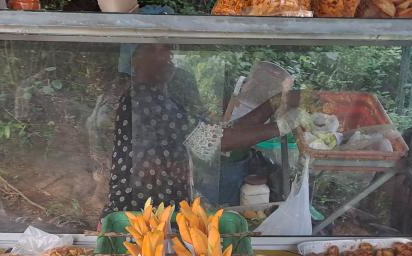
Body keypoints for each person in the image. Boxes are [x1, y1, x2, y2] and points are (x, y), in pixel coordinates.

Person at [103, 44, 307, 216]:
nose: (169, 58)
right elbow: (218, 141)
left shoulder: (157, 98)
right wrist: (282, 125)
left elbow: (218, 132)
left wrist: (274, 103)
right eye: (157, 51)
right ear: (136, 60)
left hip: (154, 207)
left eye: (169, 52)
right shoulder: (146, 99)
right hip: (140, 211)